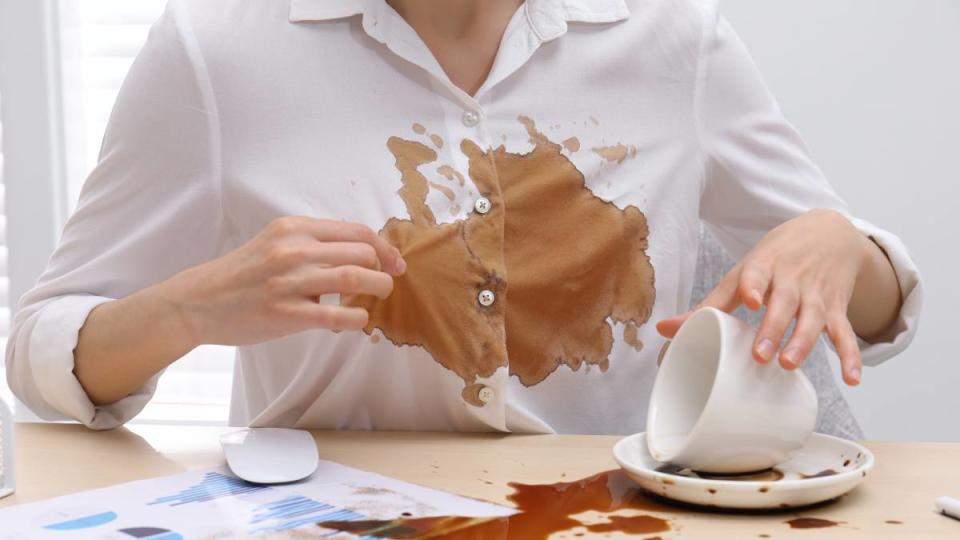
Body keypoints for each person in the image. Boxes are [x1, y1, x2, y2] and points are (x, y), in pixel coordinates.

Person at [6, 0, 921, 433]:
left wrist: (846, 245)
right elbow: (39, 350)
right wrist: (186, 312)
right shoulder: (215, 52)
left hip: (608, 516)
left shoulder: (674, 40)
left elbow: (871, 317)